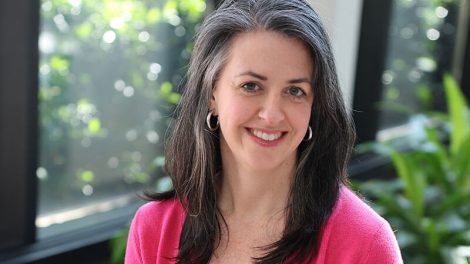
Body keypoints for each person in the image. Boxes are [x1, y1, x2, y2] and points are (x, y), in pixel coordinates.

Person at [125, 0, 403, 263]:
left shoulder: (365, 242)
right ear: (212, 93)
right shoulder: (153, 229)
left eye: (295, 91)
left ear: (314, 105)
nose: (271, 115)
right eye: (251, 86)